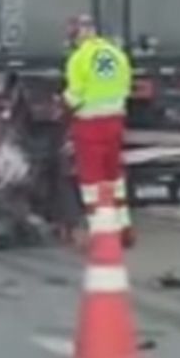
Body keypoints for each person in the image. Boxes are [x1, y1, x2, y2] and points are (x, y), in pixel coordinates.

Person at [62, 14, 135, 248]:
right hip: (115, 122)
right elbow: (126, 86)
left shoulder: (78, 59)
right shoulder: (117, 54)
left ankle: (101, 233)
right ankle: (124, 228)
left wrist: (61, 102)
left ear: (76, 36)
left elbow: (75, 95)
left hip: (90, 126)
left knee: (92, 182)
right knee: (114, 177)